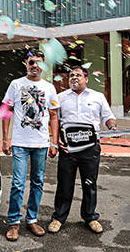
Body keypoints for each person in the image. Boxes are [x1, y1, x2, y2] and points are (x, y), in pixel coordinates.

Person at [48, 65, 116, 234]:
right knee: (64, 184)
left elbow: (108, 116)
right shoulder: (60, 97)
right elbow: (53, 120)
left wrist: (112, 126)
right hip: (68, 148)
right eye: (71, 75)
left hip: (90, 148)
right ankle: (59, 217)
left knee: (89, 183)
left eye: (78, 75)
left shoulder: (98, 97)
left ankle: (90, 217)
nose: (74, 78)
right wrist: (55, 141)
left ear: (86, 79)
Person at [2, 50, 60, 241]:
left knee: (38, 182)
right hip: (19, 143)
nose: (35, 65)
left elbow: (53, 116)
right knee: (18, 184)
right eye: (31, 62)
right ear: (25, 64)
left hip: (41, 144)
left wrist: (54, 142)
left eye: (39, 63)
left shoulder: (49, 87)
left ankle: (32, 219)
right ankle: (13, 222)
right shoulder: (16, 84)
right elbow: (7, 110)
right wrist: (5, 139)